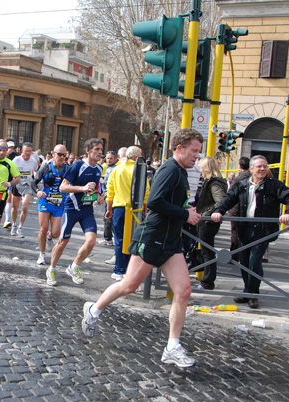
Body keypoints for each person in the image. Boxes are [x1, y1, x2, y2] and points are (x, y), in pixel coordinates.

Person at [81, 128, 202, 369]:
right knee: (129, 286)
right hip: (152, 236)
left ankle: (172, 347)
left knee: (184, 291)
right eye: (194, 151)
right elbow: (155, 202)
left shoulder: (182, 171)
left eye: (199, 152)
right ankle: (94, 309)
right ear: (179, 148)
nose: (197, 156)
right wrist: (184, 214)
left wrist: (185, 213)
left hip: (170, 241)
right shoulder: (170, 169)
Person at [211, 155, 289, 309]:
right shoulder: (242, 185)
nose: (262, 169)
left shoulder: (274, 185)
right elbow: (228, 199)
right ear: (251, 168)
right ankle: (248, 291)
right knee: (244, 262)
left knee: (254, 262)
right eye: (259, 166)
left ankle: (253, 294)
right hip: (244, 229)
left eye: (265, 166)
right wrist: (218, 211)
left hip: (263, 230)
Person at [46, 138, 104, 286]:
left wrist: (98, 196)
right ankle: (51, 270)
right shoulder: (78, 165)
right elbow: (63, 188)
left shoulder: (99, 169)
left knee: (91, 241)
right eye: (96, 149)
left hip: (86, 210)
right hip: (71, 209)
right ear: (88, 151)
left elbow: (94, 188)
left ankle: (74, 267)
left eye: (101, 149)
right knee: (63, 241)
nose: (100, 152)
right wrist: (82, 188)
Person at [104, 146, 149, 281]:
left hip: (119, 208)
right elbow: (146, 192)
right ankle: (131, 270)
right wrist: (145, 209)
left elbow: (110, 191)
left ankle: (119, 269)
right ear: (136, 157)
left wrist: (109, 208)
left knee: (119, 240)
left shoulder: (116, 170)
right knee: (134, 240)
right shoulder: (140, 171)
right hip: (136, 209)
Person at [32, 144, 69, 265]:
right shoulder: (46, 167)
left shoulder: (67, 168)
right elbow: (34, 182)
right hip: (45, 201)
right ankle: (42, 254)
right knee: (43, 229)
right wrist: (38, 192)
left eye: (64, 155)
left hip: (59, 203)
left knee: (56, 233)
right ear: (53, 154)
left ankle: (49, 237)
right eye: (59, 154)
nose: (62, 157)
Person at [195, 157, 228, 290]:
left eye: (201, 167)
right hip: (207, 219)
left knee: (207, 252)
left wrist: (208, 214)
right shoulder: (213, 182)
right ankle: (206, 280)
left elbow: (220, 201)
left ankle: (207, 282)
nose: (199, 170)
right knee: (206, 251)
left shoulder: (214, 183)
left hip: (208, 221)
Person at [9, 142, 38, 238]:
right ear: (22, 151)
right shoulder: (16, 160)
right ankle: (14, 224)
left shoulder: (33, 161)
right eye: (26, 151)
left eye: (30, 151)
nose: (28, 153)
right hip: (17, 184)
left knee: (25, 206)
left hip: (27, 185)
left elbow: (35, 171)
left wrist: (35, 178)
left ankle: (20, 227)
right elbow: (10, 171)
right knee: (15, 207)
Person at [227, 156, 251, 262]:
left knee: (235, 232)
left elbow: (230, 194)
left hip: (236, 210)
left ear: (240, 166)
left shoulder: (237, 179)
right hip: (248, 209)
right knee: (246, 232)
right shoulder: (252, 177)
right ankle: (245, 255)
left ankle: (235, 255)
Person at [98, 151, 118, 247]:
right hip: (106, 194)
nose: (109, 160)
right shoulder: (107, 168)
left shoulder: (114, 169)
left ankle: (109, 238)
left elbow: (110, 184)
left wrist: (102, 181)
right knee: (107, 217)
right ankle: (109, 237)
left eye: (111, 158)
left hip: (110, 195)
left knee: (108, 217)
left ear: (115, 159)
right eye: (107, 158)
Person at [2, 139, 19, 229]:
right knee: (6, 198)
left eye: (12, 147)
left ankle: (9, 220)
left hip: (12, 179)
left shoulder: (16, 156)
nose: (10, 149)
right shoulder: (3, 156)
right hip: (3, 178)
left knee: (11, 198)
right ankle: (6, 219)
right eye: (9, 147)